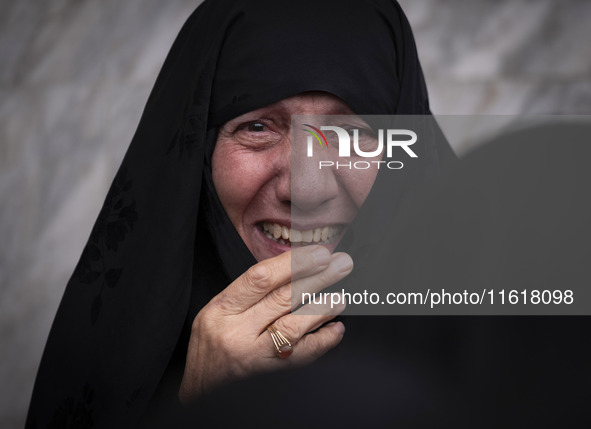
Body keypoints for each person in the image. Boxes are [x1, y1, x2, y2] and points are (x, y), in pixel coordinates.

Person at [26, 0, 454, 427]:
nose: (305, 190)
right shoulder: (109, 356)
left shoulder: (487, 351)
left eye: (349, 132)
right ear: (198, 151)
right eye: (258, 127)